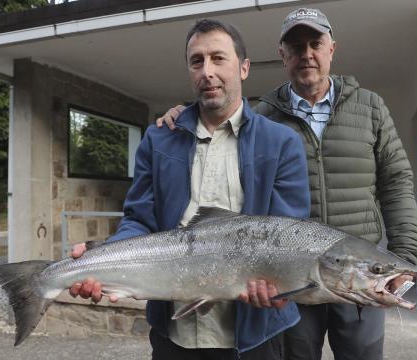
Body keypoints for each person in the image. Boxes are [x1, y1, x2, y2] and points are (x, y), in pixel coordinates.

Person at [156, 8, 417, 360]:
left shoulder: (370, 107)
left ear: (332, 48)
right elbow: (218, 125)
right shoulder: (263, 116)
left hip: (358, 269)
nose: (307, 54)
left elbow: (397, 182)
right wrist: (181, 115)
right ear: (283, 56)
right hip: (289, 276)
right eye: (296, 47)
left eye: (315, 43)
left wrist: (399, 259)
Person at [69, 19, 311, 359]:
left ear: (243, 68)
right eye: (197, 61)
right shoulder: (158, 139)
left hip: (255, 337)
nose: (207, 71)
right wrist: (100, 259)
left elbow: (289, 238)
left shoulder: (282, 143)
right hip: (175, 337)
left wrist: (282, 285)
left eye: (218, 58)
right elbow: (139, 220)